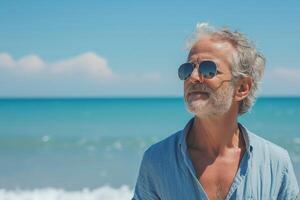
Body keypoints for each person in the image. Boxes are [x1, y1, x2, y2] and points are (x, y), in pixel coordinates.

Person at [132, 23, 299, 200]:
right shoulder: (157, 160)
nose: (193, 78)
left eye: (208, 69)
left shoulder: (275, 163)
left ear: (242, 87)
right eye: (187, 69)